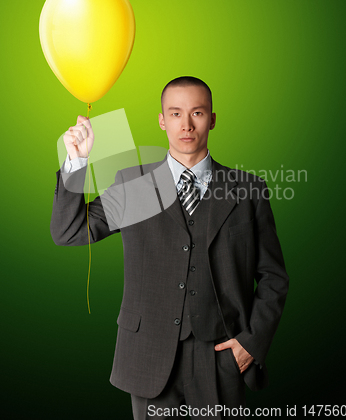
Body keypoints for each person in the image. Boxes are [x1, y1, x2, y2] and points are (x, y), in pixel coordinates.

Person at [50, 76, 289, 419]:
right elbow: (68, 231)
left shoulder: (248, 190)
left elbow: (273, 277)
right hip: (147, 357)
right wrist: (76, 162)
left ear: (212, 119)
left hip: (221, 358)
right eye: (175, 114)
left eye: (197, 113)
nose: (187, 124)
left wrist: (250, 343)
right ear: (162, 120)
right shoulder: (134, 184)